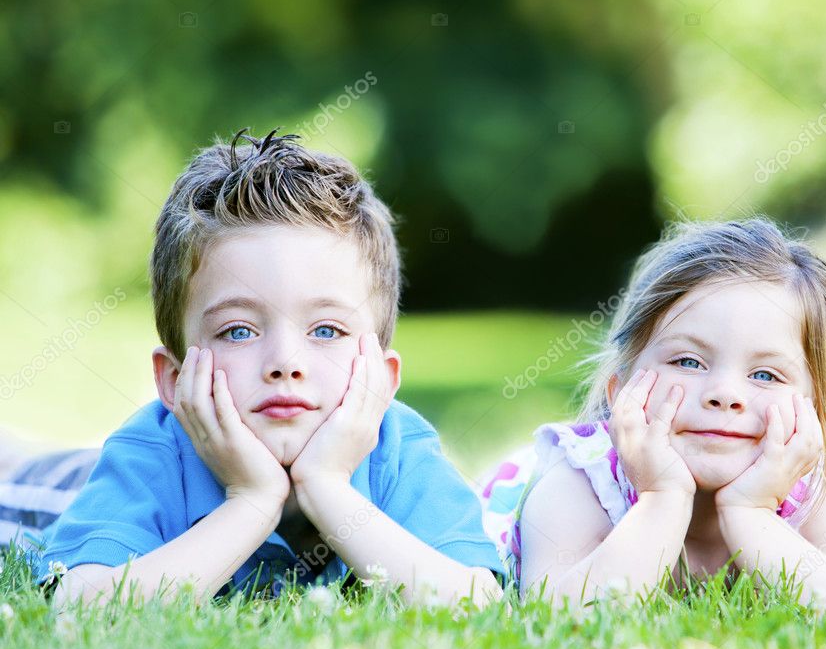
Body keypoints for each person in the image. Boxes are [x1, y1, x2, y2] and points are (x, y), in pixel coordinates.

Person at [13, 128, 505, 609]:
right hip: (53, 489)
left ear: (384, 378)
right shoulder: (151, 454)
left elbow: (476, 604)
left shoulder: (401, 454)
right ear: (173, 378)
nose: (285, 364)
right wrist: (251, 500)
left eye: (327, 331)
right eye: (239, 331)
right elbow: (85, 609)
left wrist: (327, 487)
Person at [480, 219, 826, 611]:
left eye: (765, 374)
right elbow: (561, 616)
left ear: (817, 415)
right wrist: (661, 498)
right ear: (620, 391)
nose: (724, 395)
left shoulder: (819, 507)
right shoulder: (577, 488)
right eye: (688, 362)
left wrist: (752, 512)